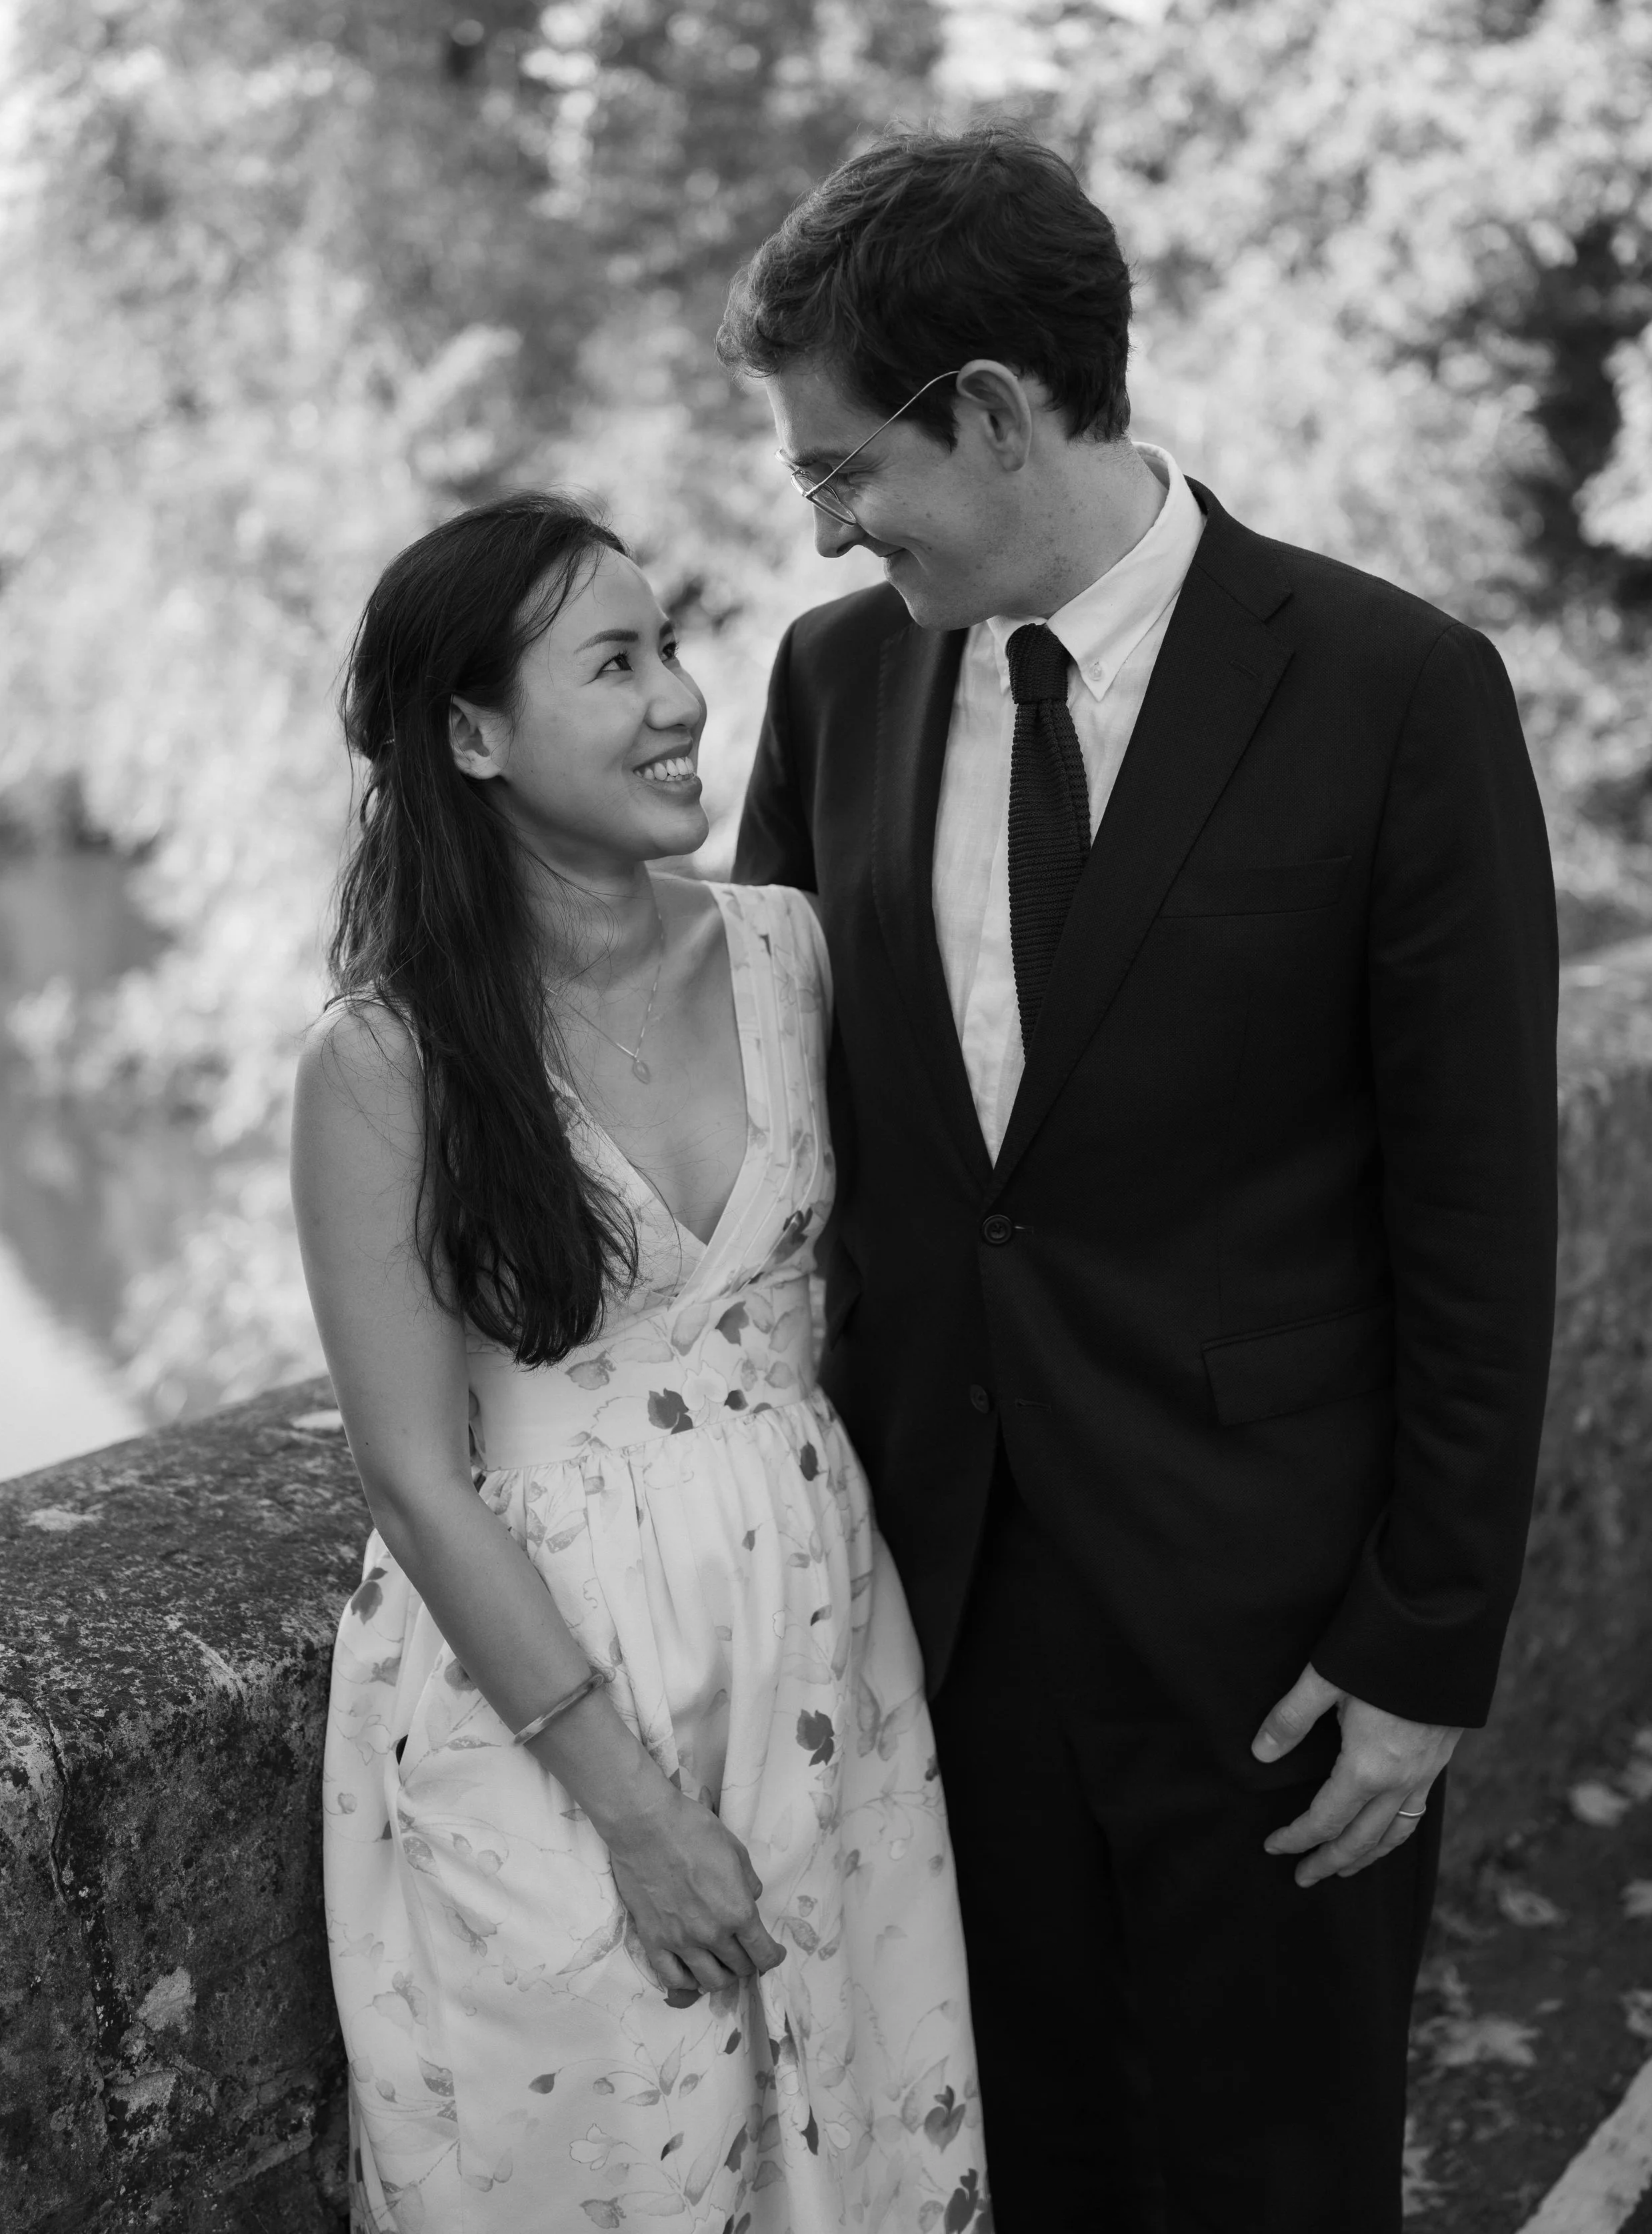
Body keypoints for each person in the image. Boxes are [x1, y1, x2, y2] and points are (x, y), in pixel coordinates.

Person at [721, 128, 1559, 2232]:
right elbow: (764, 1121)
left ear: (992, 411)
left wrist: (1423, 1645)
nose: (824, 532)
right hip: (943, 1625)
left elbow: (1475, 1208)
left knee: (1280, 2181)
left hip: (1275, 1645)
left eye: (842, 471)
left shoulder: (1396, 693)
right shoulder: (832, 687)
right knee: (1032, 2170)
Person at [290, 494, 988, 2234]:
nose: (681, 694)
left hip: (817, 1644)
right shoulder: (386, 1062)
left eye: (672, 642)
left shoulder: (786, 952)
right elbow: (412, 1472)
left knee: (848, 2147)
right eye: (615, 661)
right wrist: (635, 1812)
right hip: (553, 1703)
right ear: (472, 733)